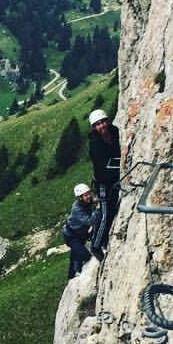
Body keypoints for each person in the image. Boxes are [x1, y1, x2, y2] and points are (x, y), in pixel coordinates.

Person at [88, 108, 121, 248]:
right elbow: (102, 167)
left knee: (112, 210)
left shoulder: (115, 132)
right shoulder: (95, 144)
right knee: (106, 214)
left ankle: (104, 239)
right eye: (97, 124)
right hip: (103, 183)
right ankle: (96, 245)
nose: (101, 126)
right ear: (94, 127)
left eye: (102, 122)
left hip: (114, 178)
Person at [63, 183, 99, 279]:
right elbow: (89, 221)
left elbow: (95, 199)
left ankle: (72, 273)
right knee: (85, 256)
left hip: (81, 233)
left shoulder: (88, 201)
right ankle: (73, 274)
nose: (89, 196)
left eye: (89, 193)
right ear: (80, 197)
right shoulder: (76, 208)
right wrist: (97, 209)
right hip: (71, 236)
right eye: (86, 195)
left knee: (76, 253)